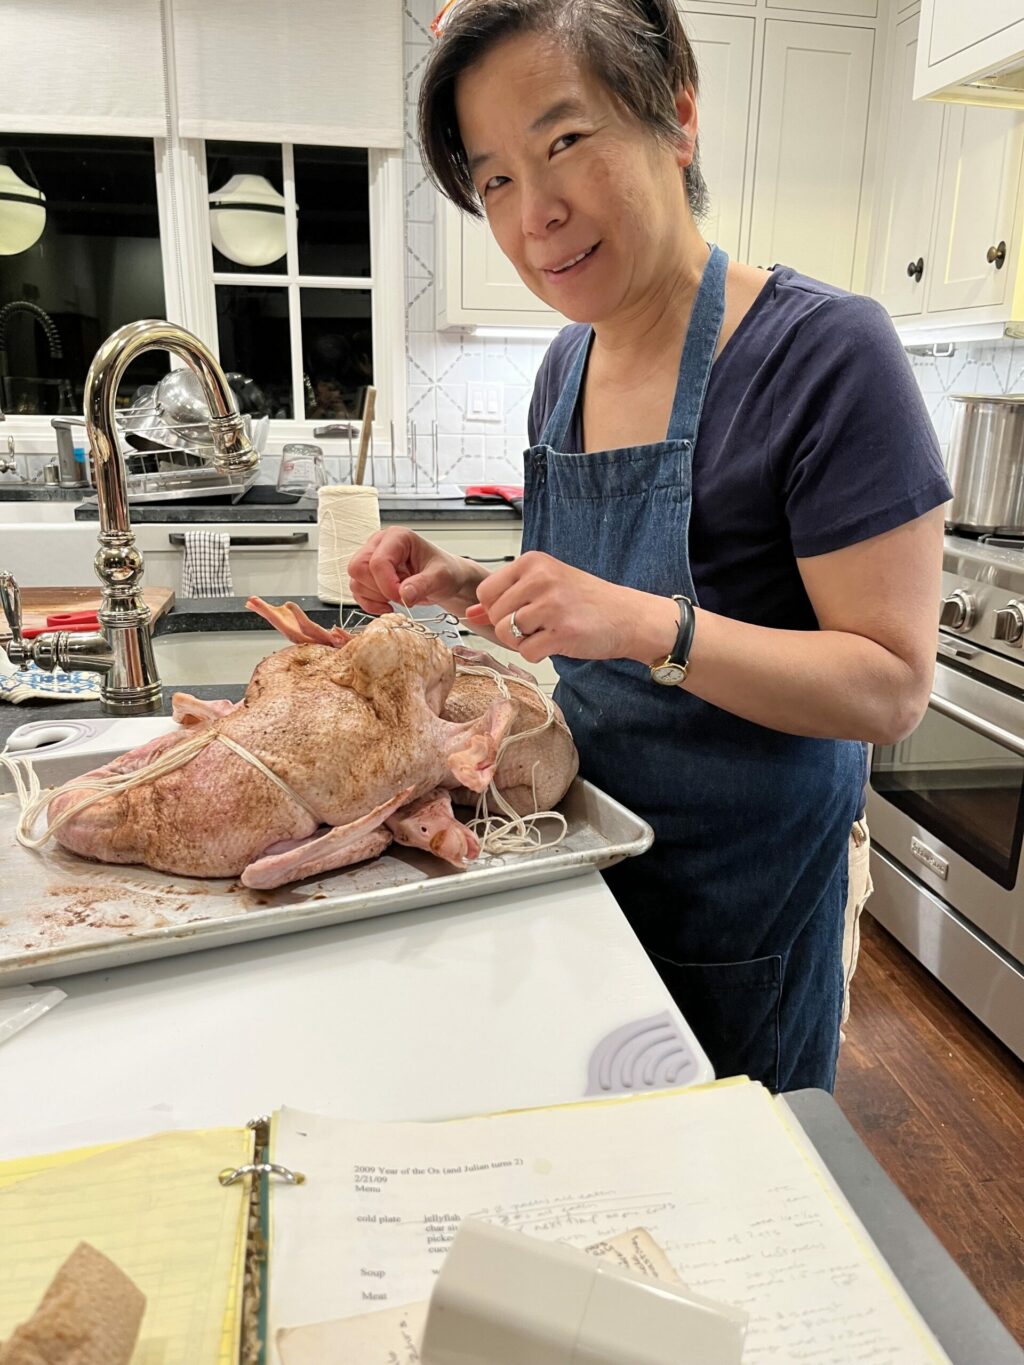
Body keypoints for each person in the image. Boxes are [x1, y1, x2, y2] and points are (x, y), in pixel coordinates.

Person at [348, 0, 951, 1093]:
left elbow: (891, 686)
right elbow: (585, 608)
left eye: (563, 143)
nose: (535, 214)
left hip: (745, 898)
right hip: (580, 861)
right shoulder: (562, 372)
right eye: (493, 182)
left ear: (676, 115)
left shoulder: (824, 356)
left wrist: (640, 624)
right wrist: (474, 585)